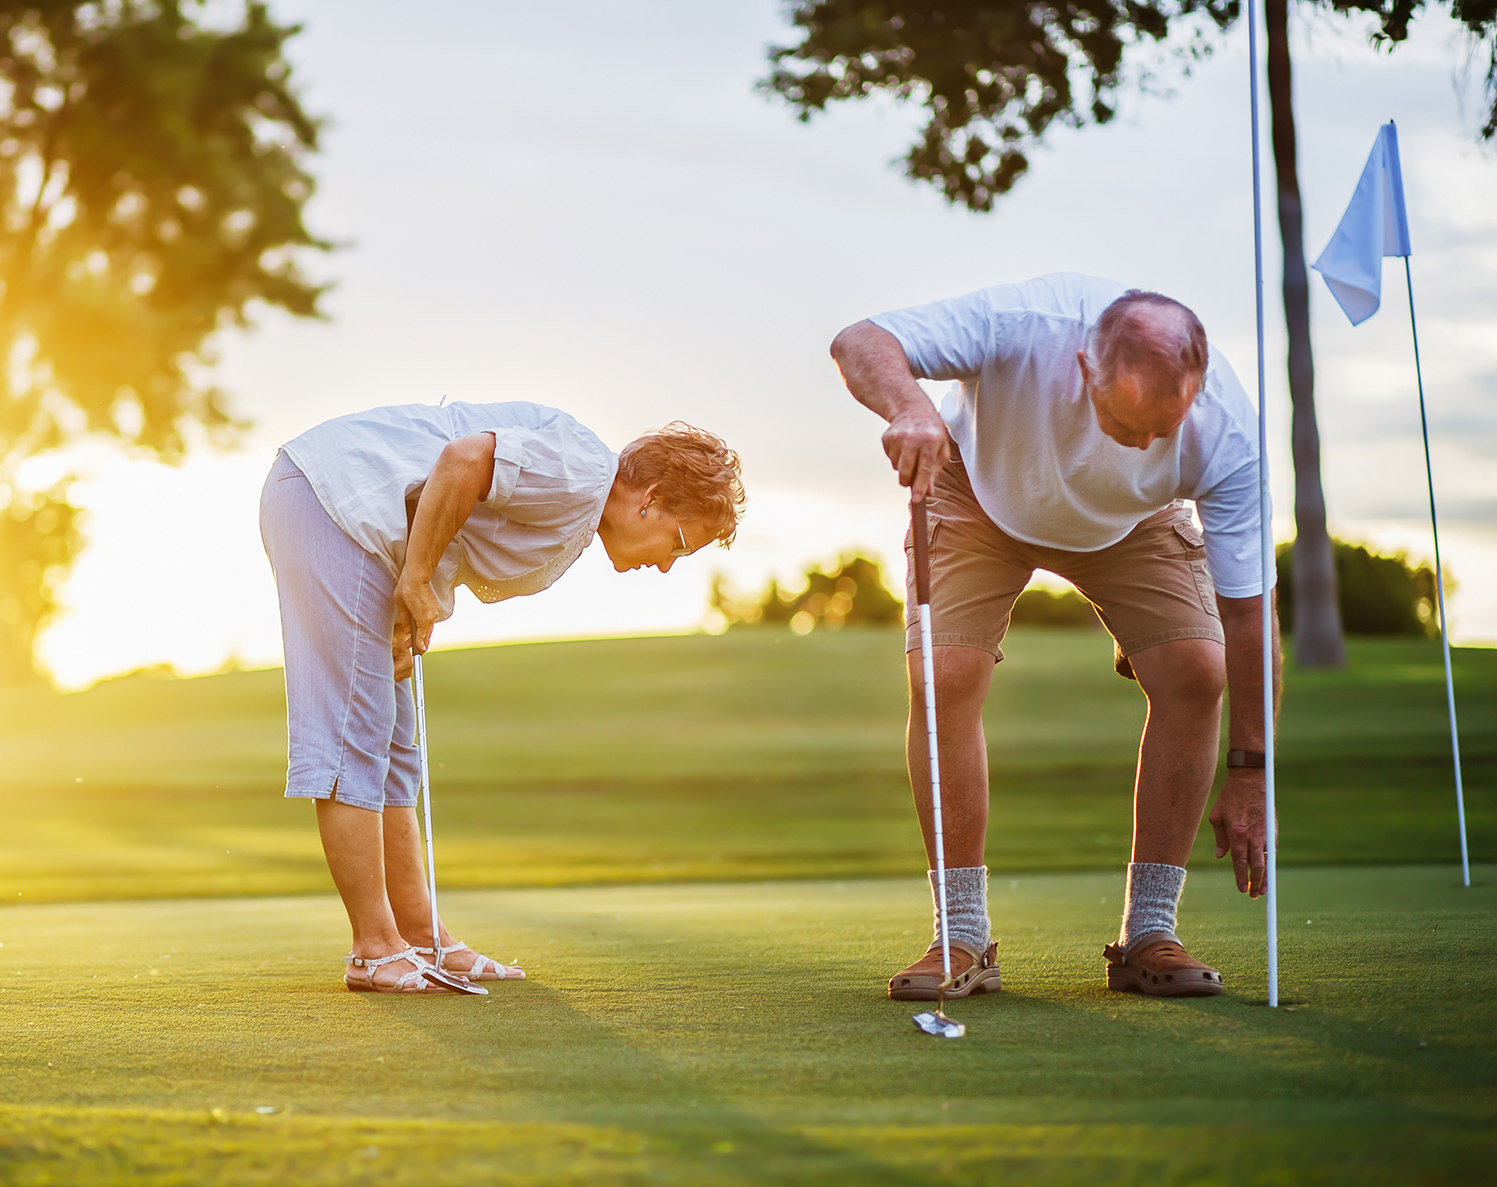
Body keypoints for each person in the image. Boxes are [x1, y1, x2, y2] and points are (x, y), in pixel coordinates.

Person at [830, 274, 1275, 1001]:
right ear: (1084, 368)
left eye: (1161, 430)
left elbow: (1251, 612)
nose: (1141, 444)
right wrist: (911, 407)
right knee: (942, 676)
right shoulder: (1021, 324)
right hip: (976, 490)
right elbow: (860, 341)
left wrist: (1253, 771)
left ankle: (1148, 932)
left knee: (1198, 668)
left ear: (1194, 387)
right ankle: (962, 935)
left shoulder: (1226, 426)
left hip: (1134, 522)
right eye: (1125, 425)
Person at [260, 401, 746, 994]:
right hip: (335, 501)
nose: (669, 565)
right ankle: (374, 948)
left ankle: (420, 939)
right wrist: (412, 581)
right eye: (680, 543)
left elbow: (450, 516)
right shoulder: (585, 474)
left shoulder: (580, 503)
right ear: (652, 497)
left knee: (395, 747)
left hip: (355, 519)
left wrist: (412, 599)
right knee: (353, 736)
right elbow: (465, 459)